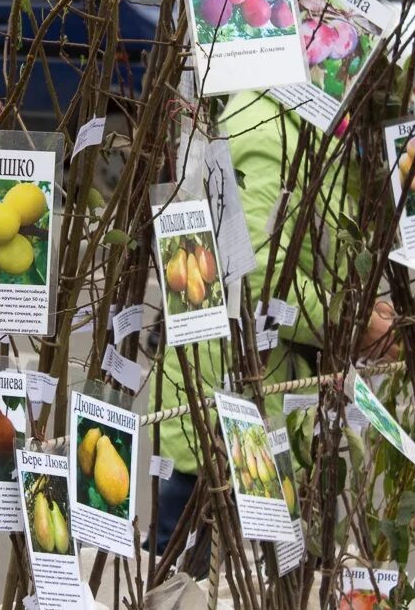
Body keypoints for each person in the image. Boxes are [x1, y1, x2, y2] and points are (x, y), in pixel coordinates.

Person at [151, 87, 396, 558]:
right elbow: (251, 267)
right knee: (204, 581)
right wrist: (349, 321)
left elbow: (313, 250)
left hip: (272, 405)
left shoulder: (309, 121)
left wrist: (361, 309)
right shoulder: (268, 126)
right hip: (228, 417)